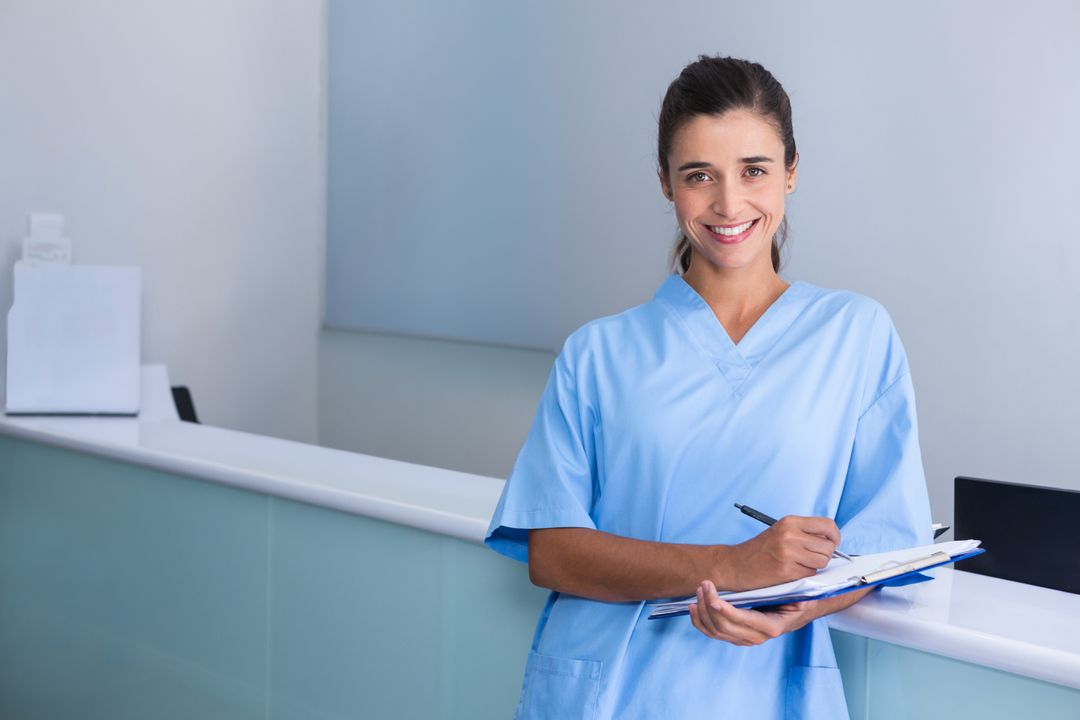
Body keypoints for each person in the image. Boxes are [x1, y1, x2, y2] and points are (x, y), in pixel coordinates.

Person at [485, 55, 932, 720]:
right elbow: (553, 553)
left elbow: (886, 544)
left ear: (791, 171)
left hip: (768, 684)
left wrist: (796, 606)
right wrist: (731, 564)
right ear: (666, 183)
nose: (729, 204)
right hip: (610, 689)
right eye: (700, 176)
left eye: (753, 170)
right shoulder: (597, 353)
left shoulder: (856, 335)